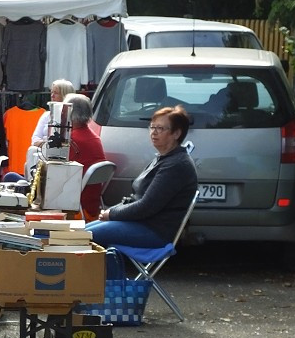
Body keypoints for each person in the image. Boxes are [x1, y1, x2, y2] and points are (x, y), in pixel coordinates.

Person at [87, 105, 198, 248]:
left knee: (83, 236)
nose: (154, 133)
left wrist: (112, 213)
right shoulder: (164, 158)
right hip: (140, 223)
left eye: (160, 129)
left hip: (154, 231)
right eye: (152, 127)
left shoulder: (176, 165)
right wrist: (110, 212)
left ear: (176, 134)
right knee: (80, 232)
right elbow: (137, 200)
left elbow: (146, 207)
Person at [61, 93, 107, 221]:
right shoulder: (93, 137)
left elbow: (57, 173)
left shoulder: (72, 140)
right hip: (91, 204)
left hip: (76, 204)